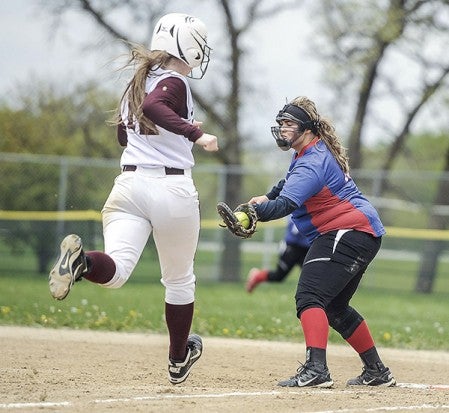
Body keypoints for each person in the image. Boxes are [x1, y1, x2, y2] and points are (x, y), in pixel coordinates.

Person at [48, 13, 219, 385]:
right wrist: (194, 134)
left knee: (116, 271)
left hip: (128, 184)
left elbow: (126, 137)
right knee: (179, 281)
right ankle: (178, 359)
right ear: (187, 46)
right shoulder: (173, 80)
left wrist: (169, 133)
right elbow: (154, 110)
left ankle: (82, 263)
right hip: (170, 189)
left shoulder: (139, 81)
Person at [246, 96, 395, 388]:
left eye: (289, 124)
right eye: (281, 124)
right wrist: (266, 197)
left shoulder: (312, 161)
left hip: (347, 230)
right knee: (335, 307)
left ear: (307, 128)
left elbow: (285, 205)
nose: (283, 129)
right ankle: (377, 371)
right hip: (358, 231)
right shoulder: (308, 153)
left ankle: (316, 370)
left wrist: (253, 213)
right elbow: (285, 185)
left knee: (310, 296)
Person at [246, 216, 310, 293]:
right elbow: (296, 229)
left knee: (311, 278)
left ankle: (313, 301)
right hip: (292, 248)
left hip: (307, 249)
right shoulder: (298, 210)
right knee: (279, 276)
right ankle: (258, 276)